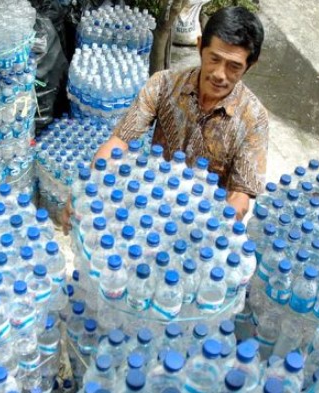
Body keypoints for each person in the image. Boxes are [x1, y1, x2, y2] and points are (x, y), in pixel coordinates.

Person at [63, 6, 268, 234]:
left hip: (203, 228)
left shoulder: (254, 118)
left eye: (234, 66)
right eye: (214, 59)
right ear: (200, 46)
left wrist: (218, 232)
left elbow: (240, 195)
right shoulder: (163, 85)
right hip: (152, 212)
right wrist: (89, 186)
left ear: (250, 65)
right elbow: (120, 141)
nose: (220, 74)